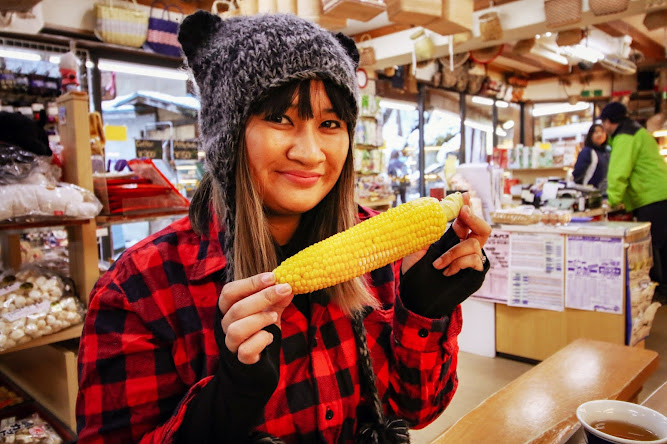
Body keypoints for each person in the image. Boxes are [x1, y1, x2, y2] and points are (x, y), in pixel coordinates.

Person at [76, 11, 491, 444]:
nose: (311, 153)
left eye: (330, 124)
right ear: (228, 134)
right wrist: (225, 402)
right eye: (280, 119)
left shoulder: (383, 256)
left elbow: (418, 410)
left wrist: (425, 309)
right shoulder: (139, 291)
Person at [600, 101, 667, 301]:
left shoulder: (625, 137)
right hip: (659, 194)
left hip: (650, 197)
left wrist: (612, 199)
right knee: (662, 246)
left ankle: (659, 291)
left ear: (608, 122)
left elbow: (619, 172)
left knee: (654, 247)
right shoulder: (639, 132)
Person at [572, 123, 610, 194]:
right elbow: (578, 173)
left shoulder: (607, 152)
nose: (600, 134)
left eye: (602, 131)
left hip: (605, 193)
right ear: (590, 136)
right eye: (596, 132)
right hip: (589, 193)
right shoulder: (587, 151)